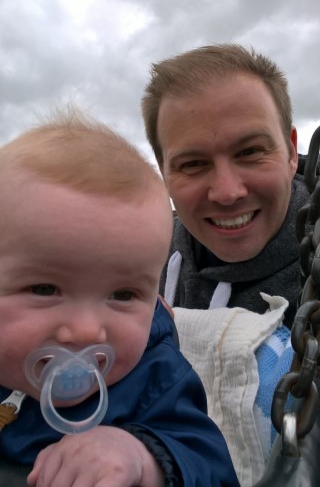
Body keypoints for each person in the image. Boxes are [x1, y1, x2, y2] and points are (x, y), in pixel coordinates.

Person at [0, 109, 240, 487]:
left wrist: (144, 457)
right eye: (44, 289)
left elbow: (212, 466)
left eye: (124, 295)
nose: (85, 331)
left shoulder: (156, 376)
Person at [141, 43, 311, 329]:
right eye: (193, 164)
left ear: (291, 152)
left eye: (250, 152)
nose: (228, 193)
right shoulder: (139, 261)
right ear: (164, 172)